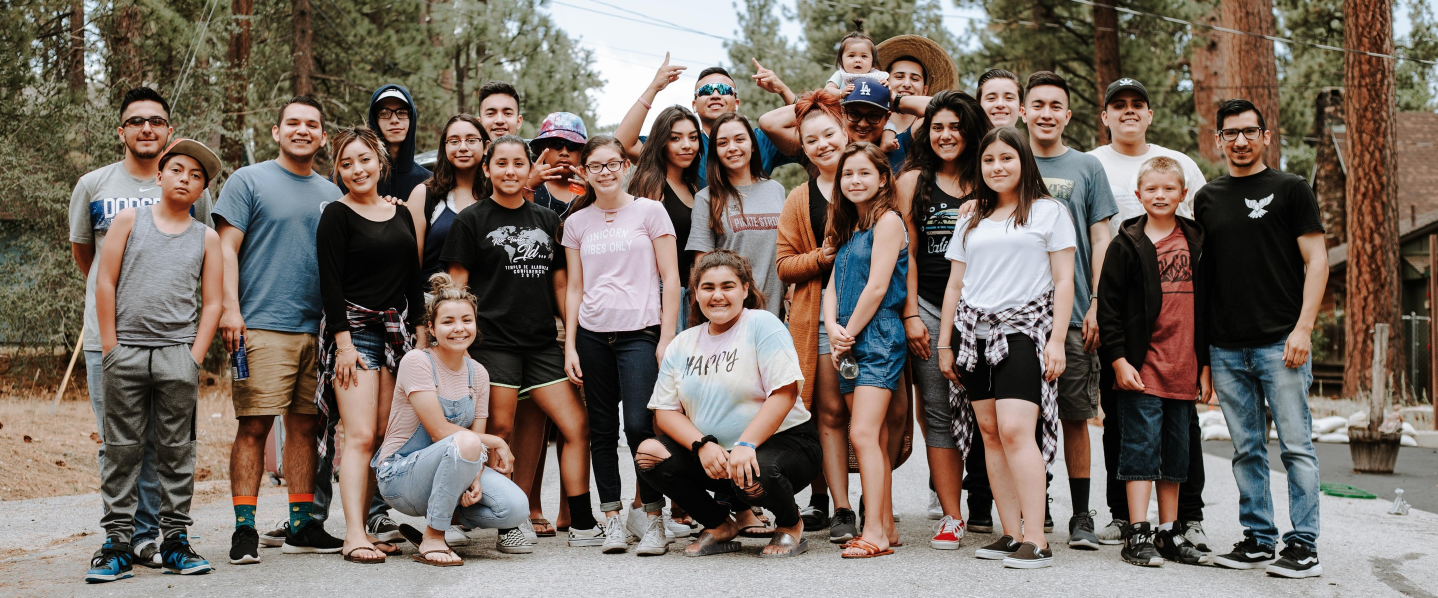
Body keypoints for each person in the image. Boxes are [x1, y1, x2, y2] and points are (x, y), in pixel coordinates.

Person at [69, 87, 211, 570]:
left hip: (173, 343)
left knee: (167, 443)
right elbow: (89, 261)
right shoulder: (94, 185)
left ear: (169, 132)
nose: (146, 128)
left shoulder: (194, 188)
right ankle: (121, 538)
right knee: (121, 443)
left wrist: (193, 353)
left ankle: (153, 538)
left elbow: (201, 255)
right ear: (121, 130)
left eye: (156, 120)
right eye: (135, 121)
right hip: (111, 340)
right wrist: (109, 340)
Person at [440, 134, 603, 550]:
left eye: (517, 163)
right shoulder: (471, 221)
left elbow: (562, 284)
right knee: (501, 428)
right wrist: (454, 349)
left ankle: (582, 521)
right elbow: (455, 291)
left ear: (526, 167)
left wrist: (573, 339)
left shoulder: (547, 221)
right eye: (502, 164)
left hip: (542, 343)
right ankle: (509, 523)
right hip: (494, 343)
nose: (510, 171)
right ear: (488, 169)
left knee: (576, 424)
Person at [1198, 99, 1327, 579]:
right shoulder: (1208, 198)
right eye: (1230, 133)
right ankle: (1258, 538)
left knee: (1296, 447)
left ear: (1266, 136)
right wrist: (1206, 358)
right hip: (1227, 347)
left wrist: (1303, 329)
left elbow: (1318, 261)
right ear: (1219, 140)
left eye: (1249, 131)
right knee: (1246, 448)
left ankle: (1304, 545)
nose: (1240, 141)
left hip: (1281, 343)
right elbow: (1207, 279)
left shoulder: (1292, 190)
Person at [938, 126, 1076, 570]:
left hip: (1023, 333)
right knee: (991, 435)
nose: (997, 167)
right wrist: (945, 343)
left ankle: (1037, 538)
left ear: (1023, 162)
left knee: (1017, 431)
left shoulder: (1049, 212)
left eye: (1007, 158)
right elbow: (955, 283)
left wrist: (1057, 340)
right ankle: (1011, 532)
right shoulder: (971, 214)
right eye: (989, 160)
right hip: (973, 334)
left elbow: (1063, 280)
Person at [214, 96, 344, 564]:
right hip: (262, 324)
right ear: (276, 131)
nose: (302, 130)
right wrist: (231, 310)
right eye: (293, 123)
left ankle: (303, 524)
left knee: (307, 428)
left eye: (312, 124)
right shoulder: (248, 180)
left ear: (323, 136)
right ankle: (244, 529)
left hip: (320, 330)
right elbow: (225, 249)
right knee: (254, 425)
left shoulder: (333, 194)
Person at [1088, 77, 1211, 550]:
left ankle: (1172, 527)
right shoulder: (1125, 236)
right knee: (1132, 439)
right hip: (1138, 358)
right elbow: (1113, 299)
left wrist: (1205, 362)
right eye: (1118, 105)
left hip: (1182, 364)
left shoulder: (1196, 239)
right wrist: (1117, 355)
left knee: (1177, 449)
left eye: (1138, 103)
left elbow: (1208, 302)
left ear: (1181, 192)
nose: (1161, 195)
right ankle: (1131, 523)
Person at [637, 250, 820, 558]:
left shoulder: (762, 325)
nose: (717, 295)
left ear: (745, 289)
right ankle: (720, 524)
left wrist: (746, 443)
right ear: (695, 294)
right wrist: (702, 445)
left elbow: (785, 393)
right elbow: (665, 412)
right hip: (719, 456)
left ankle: (790, 525)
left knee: (751, 469)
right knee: (649, 454)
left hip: (787, 445)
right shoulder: (683, 343)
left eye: (727, 286)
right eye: (708, 287)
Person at [560, 136, 681, 555]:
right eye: (596, 166)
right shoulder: (577, 222)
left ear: (626, 166)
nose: (606, 172)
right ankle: (611, 518)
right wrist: (570, 346)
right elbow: (574, 287)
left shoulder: (650, 212)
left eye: (613, 164)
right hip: (593, 335)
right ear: (585, 172)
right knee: (601, 430)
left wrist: (667, 337)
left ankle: (652, 520)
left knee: (638, 426)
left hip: (641, 333)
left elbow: (672, 278)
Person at [314, 126, 424, 564]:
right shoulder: (335, 215)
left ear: (380, 162)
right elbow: (330, 284)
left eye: (364, 159)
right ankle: (354, 534)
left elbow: (413, 280)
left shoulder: (400, 213)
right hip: (354, 335)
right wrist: (343, 345)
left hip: (396, 336)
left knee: (382, 436)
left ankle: (368, 526)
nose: (356, 169)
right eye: (346, 163)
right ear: (338, 171)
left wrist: (420, 334)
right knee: (358, 437)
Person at [374, 273, 530, 566]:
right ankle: (434, 536)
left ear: (475, 323)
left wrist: (475, 480)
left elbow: (476, 447)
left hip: (452, 469)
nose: (459, 328)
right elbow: (439, 431)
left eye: (466, 320)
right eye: (448, 322)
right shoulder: (417, 361)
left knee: (516, 508)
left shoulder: (478, 373)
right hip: (402, 477)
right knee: (466, 440)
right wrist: (497, 440)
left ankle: (451, 516)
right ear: (431, 328)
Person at [1021, 71, 1116, 549]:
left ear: (1068, 115)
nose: (1046, 114)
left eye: (1055, 106)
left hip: (1074, 312)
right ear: (1023, 111)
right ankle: (1035, 510)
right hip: (1016, 314)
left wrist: (1097, 300)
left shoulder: (1087, 167)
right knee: (1023, 418)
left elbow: (1101, 237)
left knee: (1076, 415)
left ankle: (1081, 515)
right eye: (1037, 104)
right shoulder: (1006, 160)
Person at [894, 90, 991, 549]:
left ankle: (1000, 510)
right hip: (930, 308)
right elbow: (907, 252)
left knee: (991, 414)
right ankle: (952, 516)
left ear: (972, 131)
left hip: (988, 310)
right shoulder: (913, 181)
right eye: (937, 127)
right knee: (938, 413)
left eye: (956, 126)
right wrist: (911, 313)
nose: (946, 135)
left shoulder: (993, 177)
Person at [822, 143, 908, 558]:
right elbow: (830, 287)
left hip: (877, 336)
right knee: (874, 433)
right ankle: (885, 525)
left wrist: (847, 334)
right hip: (850, 339)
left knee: (862, 434)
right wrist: (831, 327)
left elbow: (877, 287)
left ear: (882, 178)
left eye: (863, 173)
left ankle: (872, 531)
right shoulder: (849, 227)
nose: (854, 180)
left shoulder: (889, 222)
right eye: (847, 174)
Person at [774, 91, 849, 539]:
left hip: (874, 317)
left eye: (829, 133)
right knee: (828, 412)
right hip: (818, 319)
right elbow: (785, 265)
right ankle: (837, 505)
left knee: (880, 417)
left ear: (845, 133)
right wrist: (821, 258)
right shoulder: (799, 198)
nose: (822, 144)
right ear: (802, 148)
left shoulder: (870, 180)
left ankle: (878, 505)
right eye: (811, 139)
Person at [615, 57, 796, 188]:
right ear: (694, 104)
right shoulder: (684, 146)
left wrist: (784, 90)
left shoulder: (760, 140)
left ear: (737, 103)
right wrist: (653, 88)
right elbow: (622, 144)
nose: (715, 95)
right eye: (706, 90)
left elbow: (813, 128)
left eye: (725, 90)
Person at [688, 112, 786, 318]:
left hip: (775, 315)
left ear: (752, 144)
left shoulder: (775, 189)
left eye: (740, 139)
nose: (732, 148)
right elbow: (702, 266)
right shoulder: (707, 198)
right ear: (715, 151)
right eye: (723, 143)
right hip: (730, 316)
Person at [629, 105, 703, 330]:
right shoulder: (652, 185)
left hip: (690, 293)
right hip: (658, 294)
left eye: (693, 138)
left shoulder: (692, 187)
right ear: (662, 142)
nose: (686, 145)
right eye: (676, 138)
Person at [405, 115, 489, 282]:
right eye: (454, 141)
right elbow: (412, 266)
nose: (463, 147)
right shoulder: (424, 194)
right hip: (434, 301)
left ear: (486, 146)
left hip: (489, 303)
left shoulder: (497, 194)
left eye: (471, 140)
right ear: (444, 147)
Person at [341, 84, 430, 200]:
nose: (394, 120)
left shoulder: (428, 181)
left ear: (411, 118)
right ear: (374, 119)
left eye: (402, 112)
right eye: (384, 113)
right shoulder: (353, 176)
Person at [822, 29, 896, 152]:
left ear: (872, 62)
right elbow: (827, 91)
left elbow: (888, 95)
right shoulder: (841, 75)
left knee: (890, 125)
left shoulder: (876, 76)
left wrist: (886, 85)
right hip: (843, 116)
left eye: (864, 56)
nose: (858, 60)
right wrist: (840, 93)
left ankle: (885, 143)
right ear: (841, 60)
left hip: (870, 117)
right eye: (851, 56)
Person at [527, 112, 588, 214]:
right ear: (542, 149)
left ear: (582, 152)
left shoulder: (590, 191)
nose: (564, 152)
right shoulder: (525, 185)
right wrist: (528, 188)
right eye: (556, 144)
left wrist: (596, 195)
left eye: (572, 145)